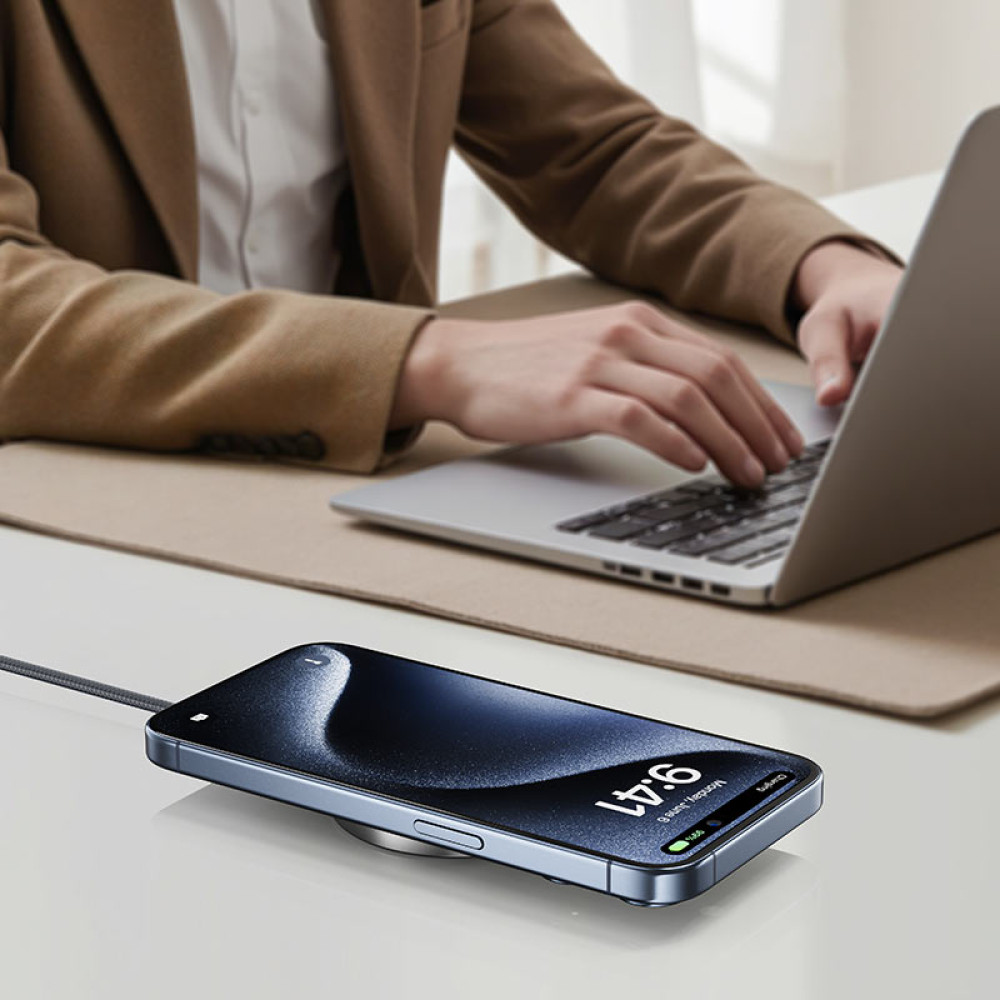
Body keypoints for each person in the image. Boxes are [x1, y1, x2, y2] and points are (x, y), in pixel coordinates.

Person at [0, 0, 901, 489]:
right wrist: (428, 360)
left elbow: (592, 149)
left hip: (364, 496)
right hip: (84, 512)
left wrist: (824, 268)